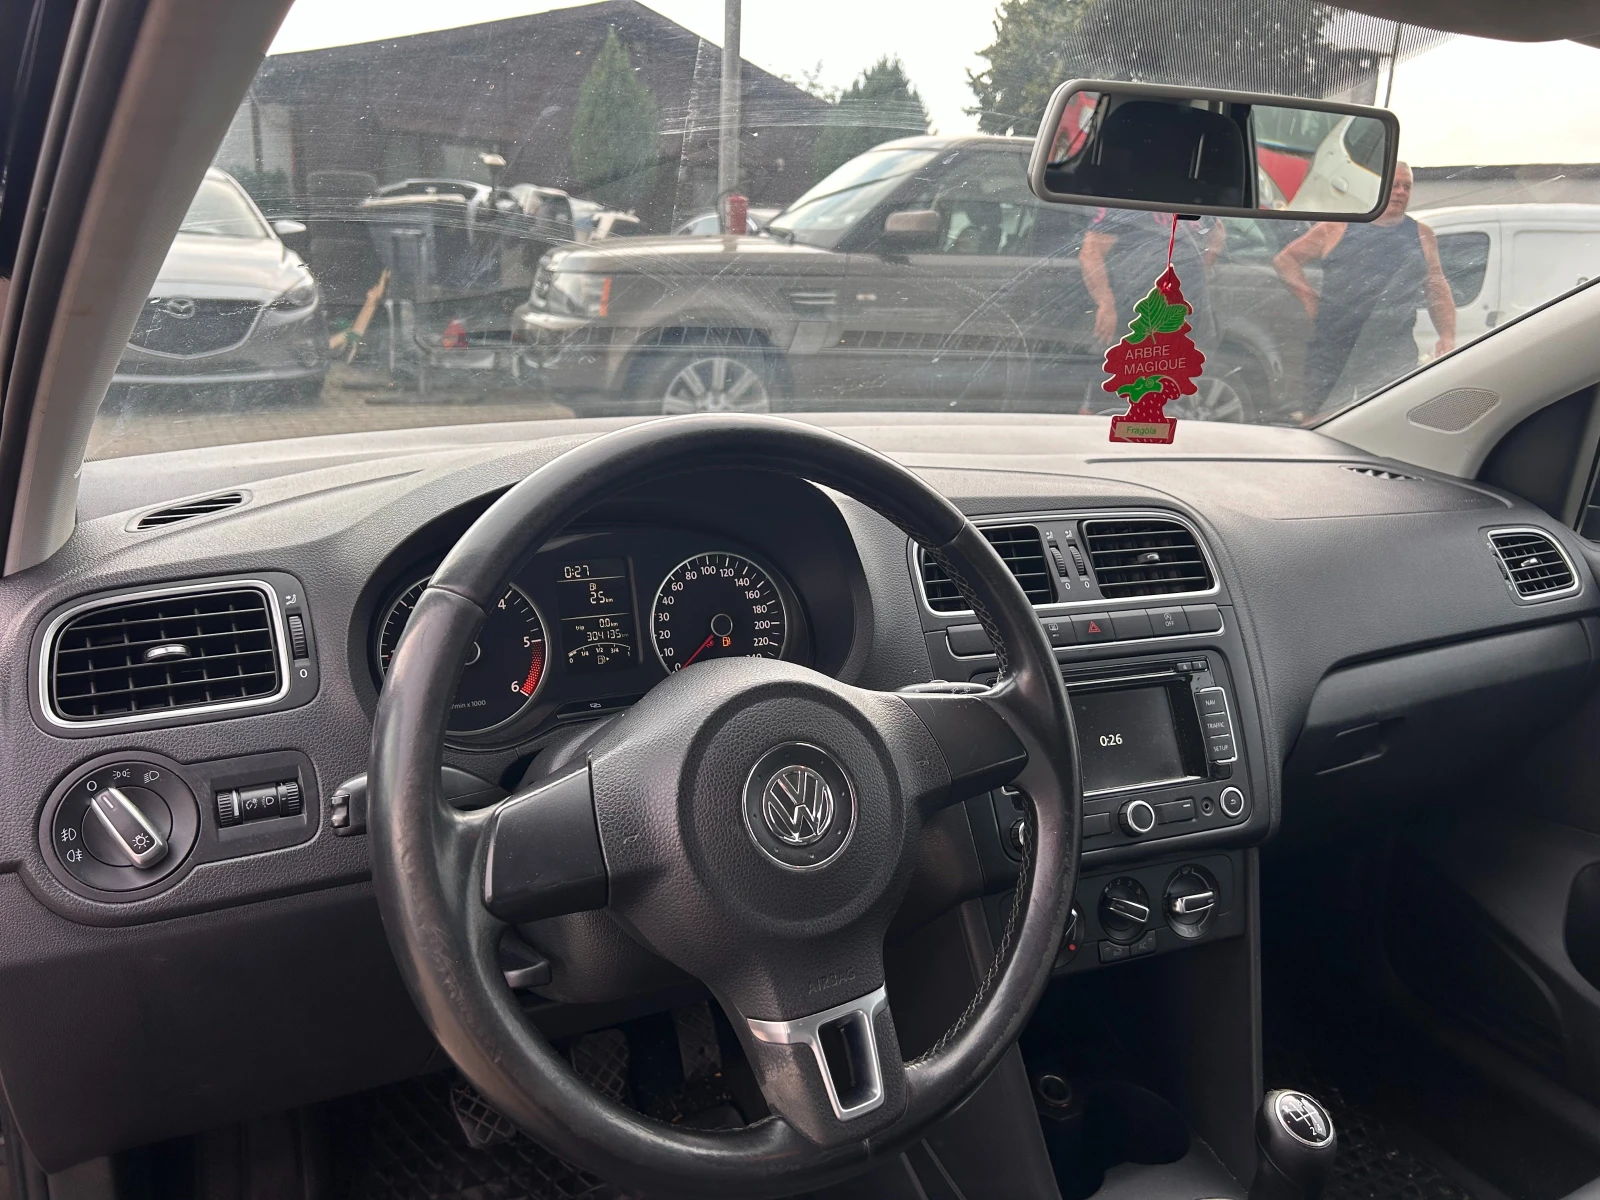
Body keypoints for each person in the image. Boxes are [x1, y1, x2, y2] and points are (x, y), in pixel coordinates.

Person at [1273, 162, 1456, 417]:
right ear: (1376, 188)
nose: (1401, 192)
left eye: (1406, 187)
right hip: (1334, 345)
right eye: (1394, 185)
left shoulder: (1422, 234)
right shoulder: (1337, 227)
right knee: (1321, 419)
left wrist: (1447, 335)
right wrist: (1310, 300)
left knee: (1390, 419)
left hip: (1391, 349)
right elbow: (1285, 260)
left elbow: (1436, 286)